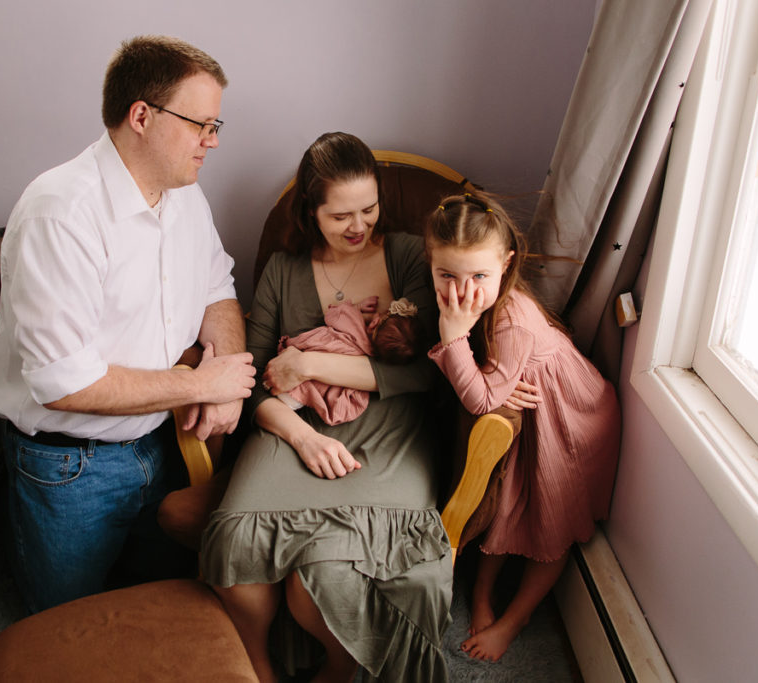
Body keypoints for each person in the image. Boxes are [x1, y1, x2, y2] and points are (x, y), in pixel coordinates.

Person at [0, 35, 256, 614]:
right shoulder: (61, 213)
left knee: (158, 603)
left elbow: (217, 290)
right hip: (69, 464)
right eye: (202, 124)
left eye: (216, 126)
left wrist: (226, 374)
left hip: (159, 443)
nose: (212, 141)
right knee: (67, 625)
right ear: (142, 116)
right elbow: (64, 382)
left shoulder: (184, 196)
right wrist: (201, 385)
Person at [198, 131, 451, 683]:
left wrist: (311, 365)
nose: (358, 226)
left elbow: (419, 374)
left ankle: (339, 670)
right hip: (294, 421)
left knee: (325, 567)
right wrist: (303, 436)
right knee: (237, 544)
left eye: (369, 208)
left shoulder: (409, 253)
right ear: (310, 212)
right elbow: (257, 378)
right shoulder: (284, 271)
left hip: (390, 427)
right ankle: (259, 667)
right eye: (341, 216)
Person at [423, 191, 621, 662]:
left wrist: (456, 339)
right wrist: (495, 381)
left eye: (479, 277)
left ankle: (517, 619)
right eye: (446, 275)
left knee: (551, 521)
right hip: (528, 413)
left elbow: (482, 399)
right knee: (509, 508)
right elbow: (488, 389)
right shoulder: (464, 300)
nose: (462, 291)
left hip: (572, 420)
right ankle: (486, 593)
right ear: (429, 264)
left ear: (506, 266)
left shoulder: (511, 321)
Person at [276, 295, 422, 425]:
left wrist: (357, 308)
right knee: (292, 399)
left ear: (374, 322)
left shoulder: (353, 322)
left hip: (298, 355)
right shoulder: (365, 363)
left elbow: (333, 314)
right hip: (310, 389)